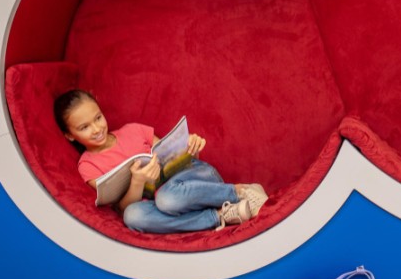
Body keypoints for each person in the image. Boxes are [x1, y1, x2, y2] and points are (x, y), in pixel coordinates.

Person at [54, 89, 267, 234]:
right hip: (162, 203)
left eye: (98, 118)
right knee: (132, 216)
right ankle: (220, 215)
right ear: (70, 135)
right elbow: (122, 206)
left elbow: (173, 157)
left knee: (167, 196)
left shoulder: (133, 130)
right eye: (84, 127)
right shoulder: (88, 166)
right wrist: (137, 181)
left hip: (196, 180)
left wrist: (190, 146)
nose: (97, 129)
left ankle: (240, 191)